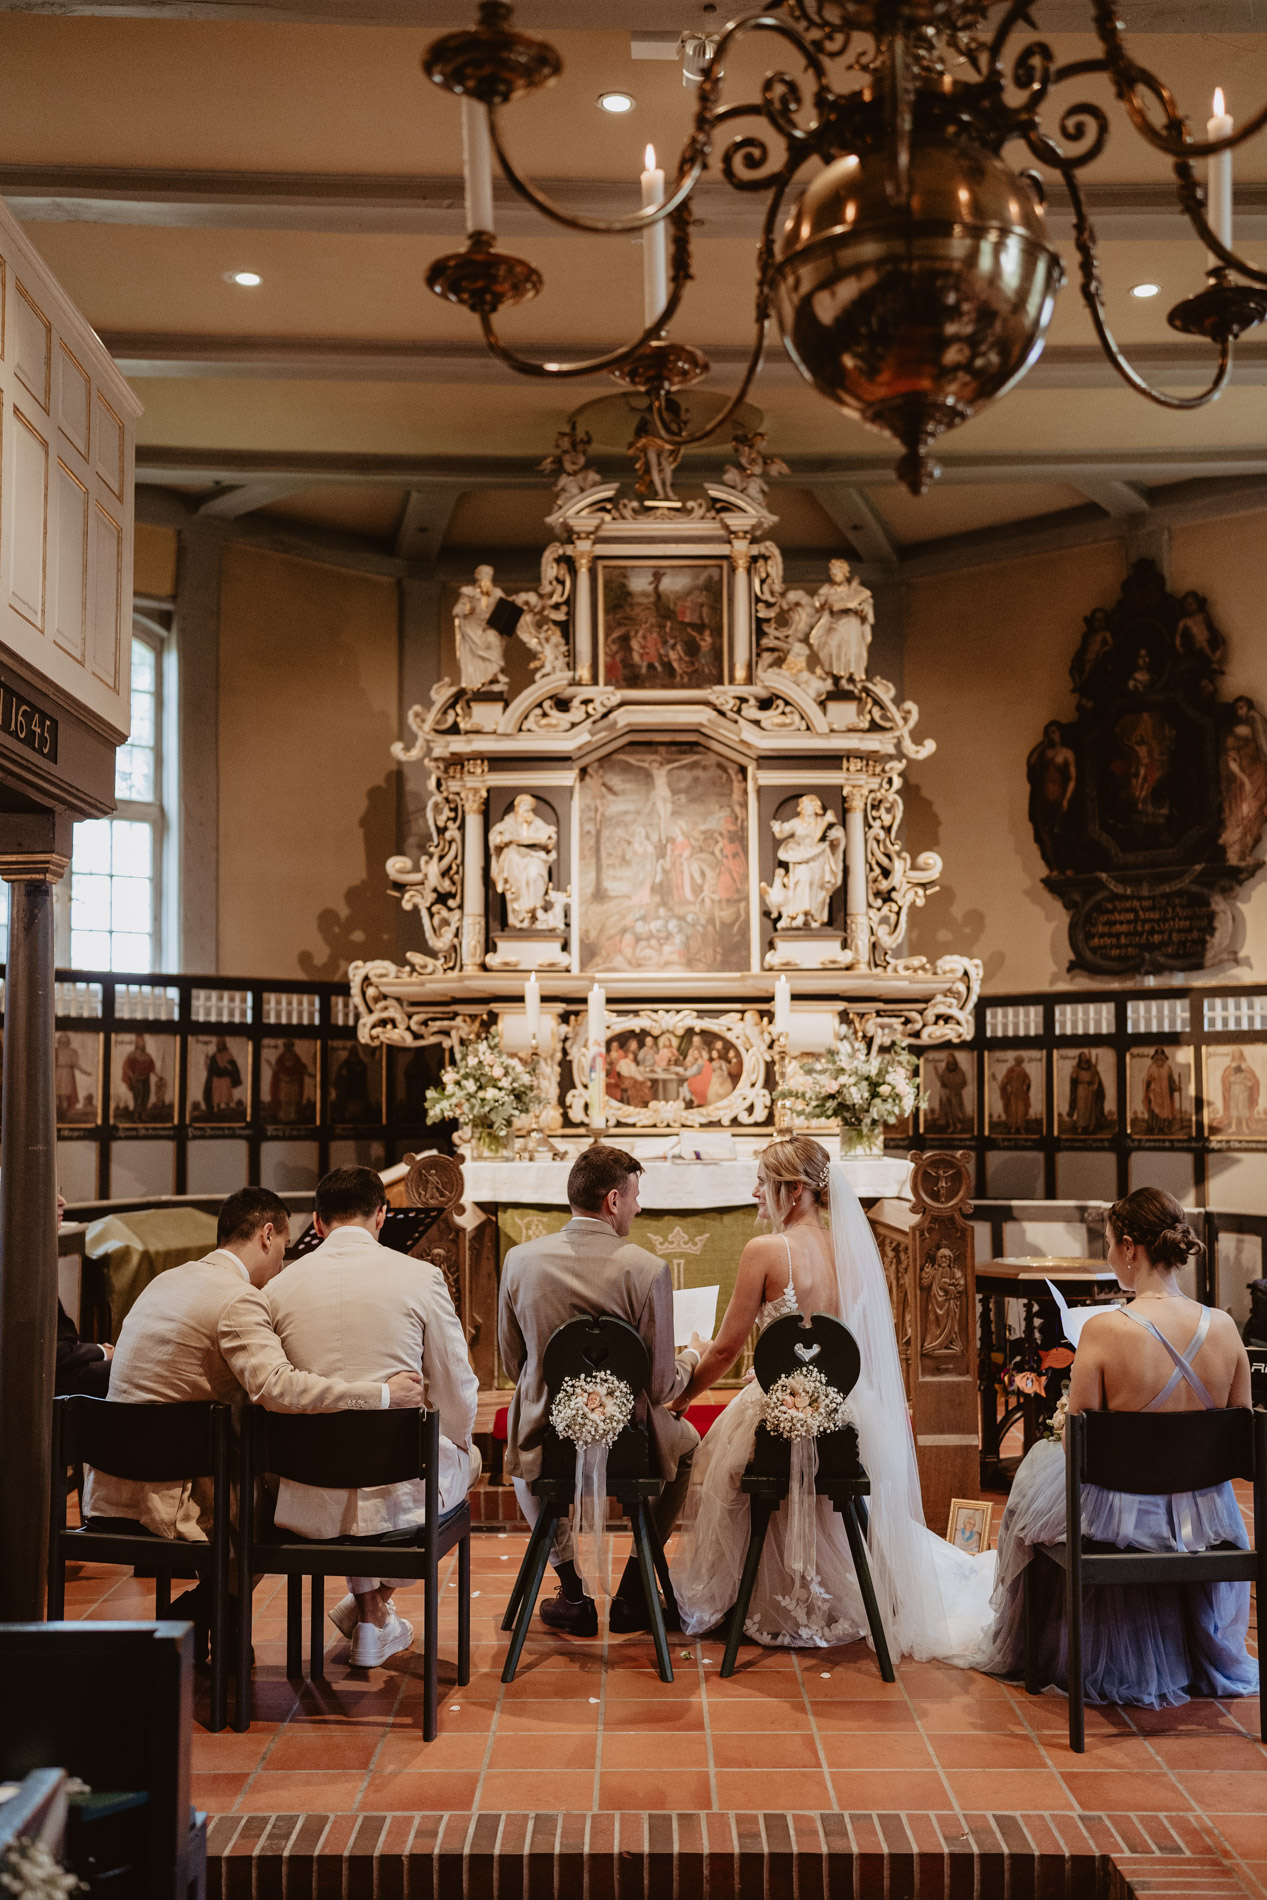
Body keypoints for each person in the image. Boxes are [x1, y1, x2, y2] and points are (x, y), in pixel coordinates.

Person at [671, 1136, 990, 1657]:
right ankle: (830, 1594)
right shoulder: (851, 1247)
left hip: (782, 1409)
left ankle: (762, 1595)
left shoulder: (767, 1251)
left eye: (763, 1183)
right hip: (846, 1412)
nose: (755, 1193)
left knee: (717, 1470)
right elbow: (842, 1343)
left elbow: (727, 1348)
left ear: (794, 1190)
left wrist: (684, 1395)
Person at [974, 1188, 1257, 1707]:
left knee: (1035, 1485)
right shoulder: (1224, 1327)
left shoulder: (1104, 1330)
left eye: (1108, 1244)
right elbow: (1238, 1426)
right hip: (1203, 1517)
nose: (1109, 1255)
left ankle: (1046, 1649)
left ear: (1130, 1248)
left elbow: (1078, 1442)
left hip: (1119, 1517)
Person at [263, 1166, 479, 1668]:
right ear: (381, 1215)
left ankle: (370, 1613)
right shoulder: (420, 1277)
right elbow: (456, 1385)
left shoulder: (277, 1288)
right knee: (457, 1463)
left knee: (352, 1473)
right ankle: (375, 1604)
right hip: (400, 1490)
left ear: (316, 1223)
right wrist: (460, 1444)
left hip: (306, 1492)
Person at [498, 1145, 700, 1637]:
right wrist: (691, 1359)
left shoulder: (519, 1260)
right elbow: (657, 1387)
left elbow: (513, 1365)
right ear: (612, 1200)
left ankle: (571, 1590)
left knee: (523, 1441)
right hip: (630, 1446)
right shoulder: (647, 1268)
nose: (637, 1207)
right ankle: (633, 1590)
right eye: (634, 1197)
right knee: (689, 1445)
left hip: (546, 1437)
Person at [54, 1190, 112, 1398]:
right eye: (52, 1192)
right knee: (130, 1370)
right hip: (51, 1384)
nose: (63, 1201)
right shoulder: (18, 1264)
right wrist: (101, 1351)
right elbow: (50, 1354)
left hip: (61, 1368)